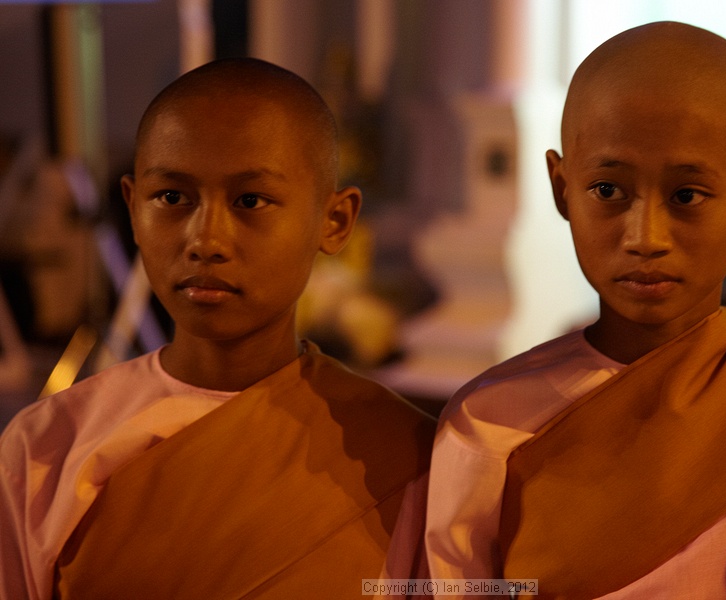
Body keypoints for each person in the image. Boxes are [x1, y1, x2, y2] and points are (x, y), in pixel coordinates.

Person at [424, 21, 726, 599]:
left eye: (686, 195)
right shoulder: (489, 426)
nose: (645, 237)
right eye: (607, 190)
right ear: (561, 187)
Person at [0, 58, 435, 599]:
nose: (206, 239)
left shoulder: (406, 456)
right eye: (173, 198)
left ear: (335, 221)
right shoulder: (48, 446)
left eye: (250, 200)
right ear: (133, 209)